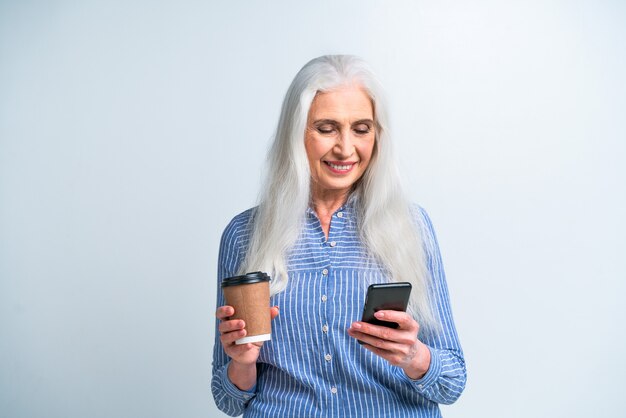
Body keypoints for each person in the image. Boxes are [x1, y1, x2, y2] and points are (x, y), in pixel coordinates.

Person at [211, 55, 466, 417]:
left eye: (361, 129)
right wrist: (242, 363)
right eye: (327, 128)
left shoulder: (411, 227)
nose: (346, 148)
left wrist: (414, 356)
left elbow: (453, 380)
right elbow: (227, 399)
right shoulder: (244, 234)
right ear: (297, 133)